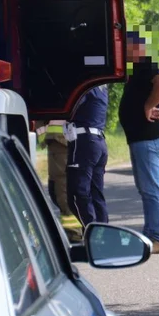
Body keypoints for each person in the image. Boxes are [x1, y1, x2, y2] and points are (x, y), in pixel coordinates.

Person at [119, 31, 159, 255]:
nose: (124, 51)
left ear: (137, 48)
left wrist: (149, 105)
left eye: (127, 46)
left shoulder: (146, 64)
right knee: (146, 189)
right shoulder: (137, 69)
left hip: (147, 138)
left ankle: (156, 238)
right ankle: (152, 233)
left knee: (151, 189)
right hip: (141, 138)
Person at [66, 84, 110, 233]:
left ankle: (93, 233)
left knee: (77, 193)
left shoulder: (85, 88)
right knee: (96, 194)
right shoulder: (102, 88)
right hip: (98, 142)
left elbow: (69, 108)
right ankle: (104, 234)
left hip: (84, 142)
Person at [40, 120, 72, 217]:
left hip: (62, 140)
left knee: (64, 196)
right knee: (57, 192)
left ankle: (74, 231)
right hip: (57, 140)